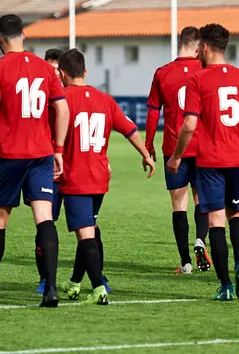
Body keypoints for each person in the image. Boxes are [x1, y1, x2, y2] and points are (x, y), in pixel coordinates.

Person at [0, 14, 69, 307]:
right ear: (24, 34)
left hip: (10, 156)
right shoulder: (45, 68)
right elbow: (62, 110)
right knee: (44, 218)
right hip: (41, 155)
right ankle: (51, 289)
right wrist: (58, 150)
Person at [166, 23, 239, 301]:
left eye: (199, 48)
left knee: (216, 221)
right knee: (237, 215)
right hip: (238, 158)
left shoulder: (197, 79)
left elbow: (189, 124)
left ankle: (225, 285)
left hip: (211, 161)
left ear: (205, 48)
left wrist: (176, 156)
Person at [56, 49, 155, 305]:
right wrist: (146, 154)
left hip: (75, 177)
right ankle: (75, 282)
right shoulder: (105, 100)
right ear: (85, 71)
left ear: (62, 74)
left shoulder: (61, 99)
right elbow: (130, 129)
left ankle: (99, 288)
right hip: (100, 178)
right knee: (88, 230)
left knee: (85, 235)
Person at [146, 27, 212, 275]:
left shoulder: (162, 72)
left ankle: (185, 263)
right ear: (197, 48)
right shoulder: (204, 70)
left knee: (178, 204)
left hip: (174, 148)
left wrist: (149, 143)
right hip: (202, 146)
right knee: (201, 199)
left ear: (180, 44)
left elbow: (153, 111)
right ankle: (200, 240)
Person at [34, 47, 64, 294]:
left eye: (56, 69)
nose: (53, 73)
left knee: (89, 225)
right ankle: (45, 278)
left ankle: (98, 276)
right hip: (47, 166)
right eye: (49, 68)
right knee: (45, 222)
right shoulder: (39, 98)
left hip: (73, 168)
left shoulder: (71, 96)